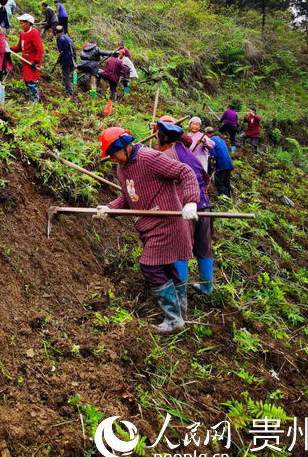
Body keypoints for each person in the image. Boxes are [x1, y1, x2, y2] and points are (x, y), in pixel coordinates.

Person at [96, 127, 200, 333]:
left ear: (124, 147)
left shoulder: (149, 158)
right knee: (167, 268)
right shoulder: (122, 168)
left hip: (167, 224)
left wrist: (190, 203)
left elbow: (185, 172)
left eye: (113, 154)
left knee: (150, 267)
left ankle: (173, 319)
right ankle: (180, 313)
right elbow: (128, 197)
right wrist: (110, 209)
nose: (112, 159)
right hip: (149, 226)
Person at [156, 121, 214, 297]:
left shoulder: (167, 156)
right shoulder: (186, 150)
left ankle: (179, 293)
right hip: (204, 204)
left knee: (180, 249)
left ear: (164, 137)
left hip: (185, 207)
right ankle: (206, 288)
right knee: (204, 247)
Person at [11, 14, 44, 102]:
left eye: (22, 23)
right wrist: (9, 48)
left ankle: (35, 103)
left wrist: (36, 62)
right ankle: (34, 100)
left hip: (32, 63)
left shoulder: (34, 33)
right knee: (27, 82)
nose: (21, 25)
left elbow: (40, 49)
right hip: (25, 62)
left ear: (28, 23)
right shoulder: (22, 34)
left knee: (32, 83)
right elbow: (19, 48)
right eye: (20, 23)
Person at [206, 127, 233, 197]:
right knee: (227, 182)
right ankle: (230, 197)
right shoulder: (222, 140)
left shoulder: (211, 140)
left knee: (219, 182)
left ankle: (223, 198)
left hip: (221, 164)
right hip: (229, 163)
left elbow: (212, 153)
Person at [55, 25, 75, 98]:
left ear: (56, 32)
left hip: (66, 60)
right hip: (72, 59)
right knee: (69, 75)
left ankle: (69, 94)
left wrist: (60, 60)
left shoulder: (60, 39)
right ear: (63, 31)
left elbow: (62, 52)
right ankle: (69, 88)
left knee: (66, 76)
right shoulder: (67, 38)